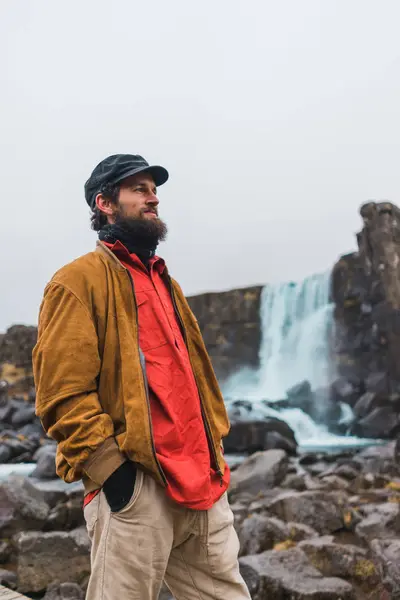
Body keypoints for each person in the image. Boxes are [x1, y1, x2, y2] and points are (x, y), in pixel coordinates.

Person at [32, 154, 251, 600]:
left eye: (154, 190)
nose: (153, 198)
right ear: (105, 203)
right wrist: (114, 475)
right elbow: (61, 393)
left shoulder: (164, 281)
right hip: (138, 489)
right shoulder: (76, 281)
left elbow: (193, 380)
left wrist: (216, 454)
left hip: (202, 486)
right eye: (138, 189)